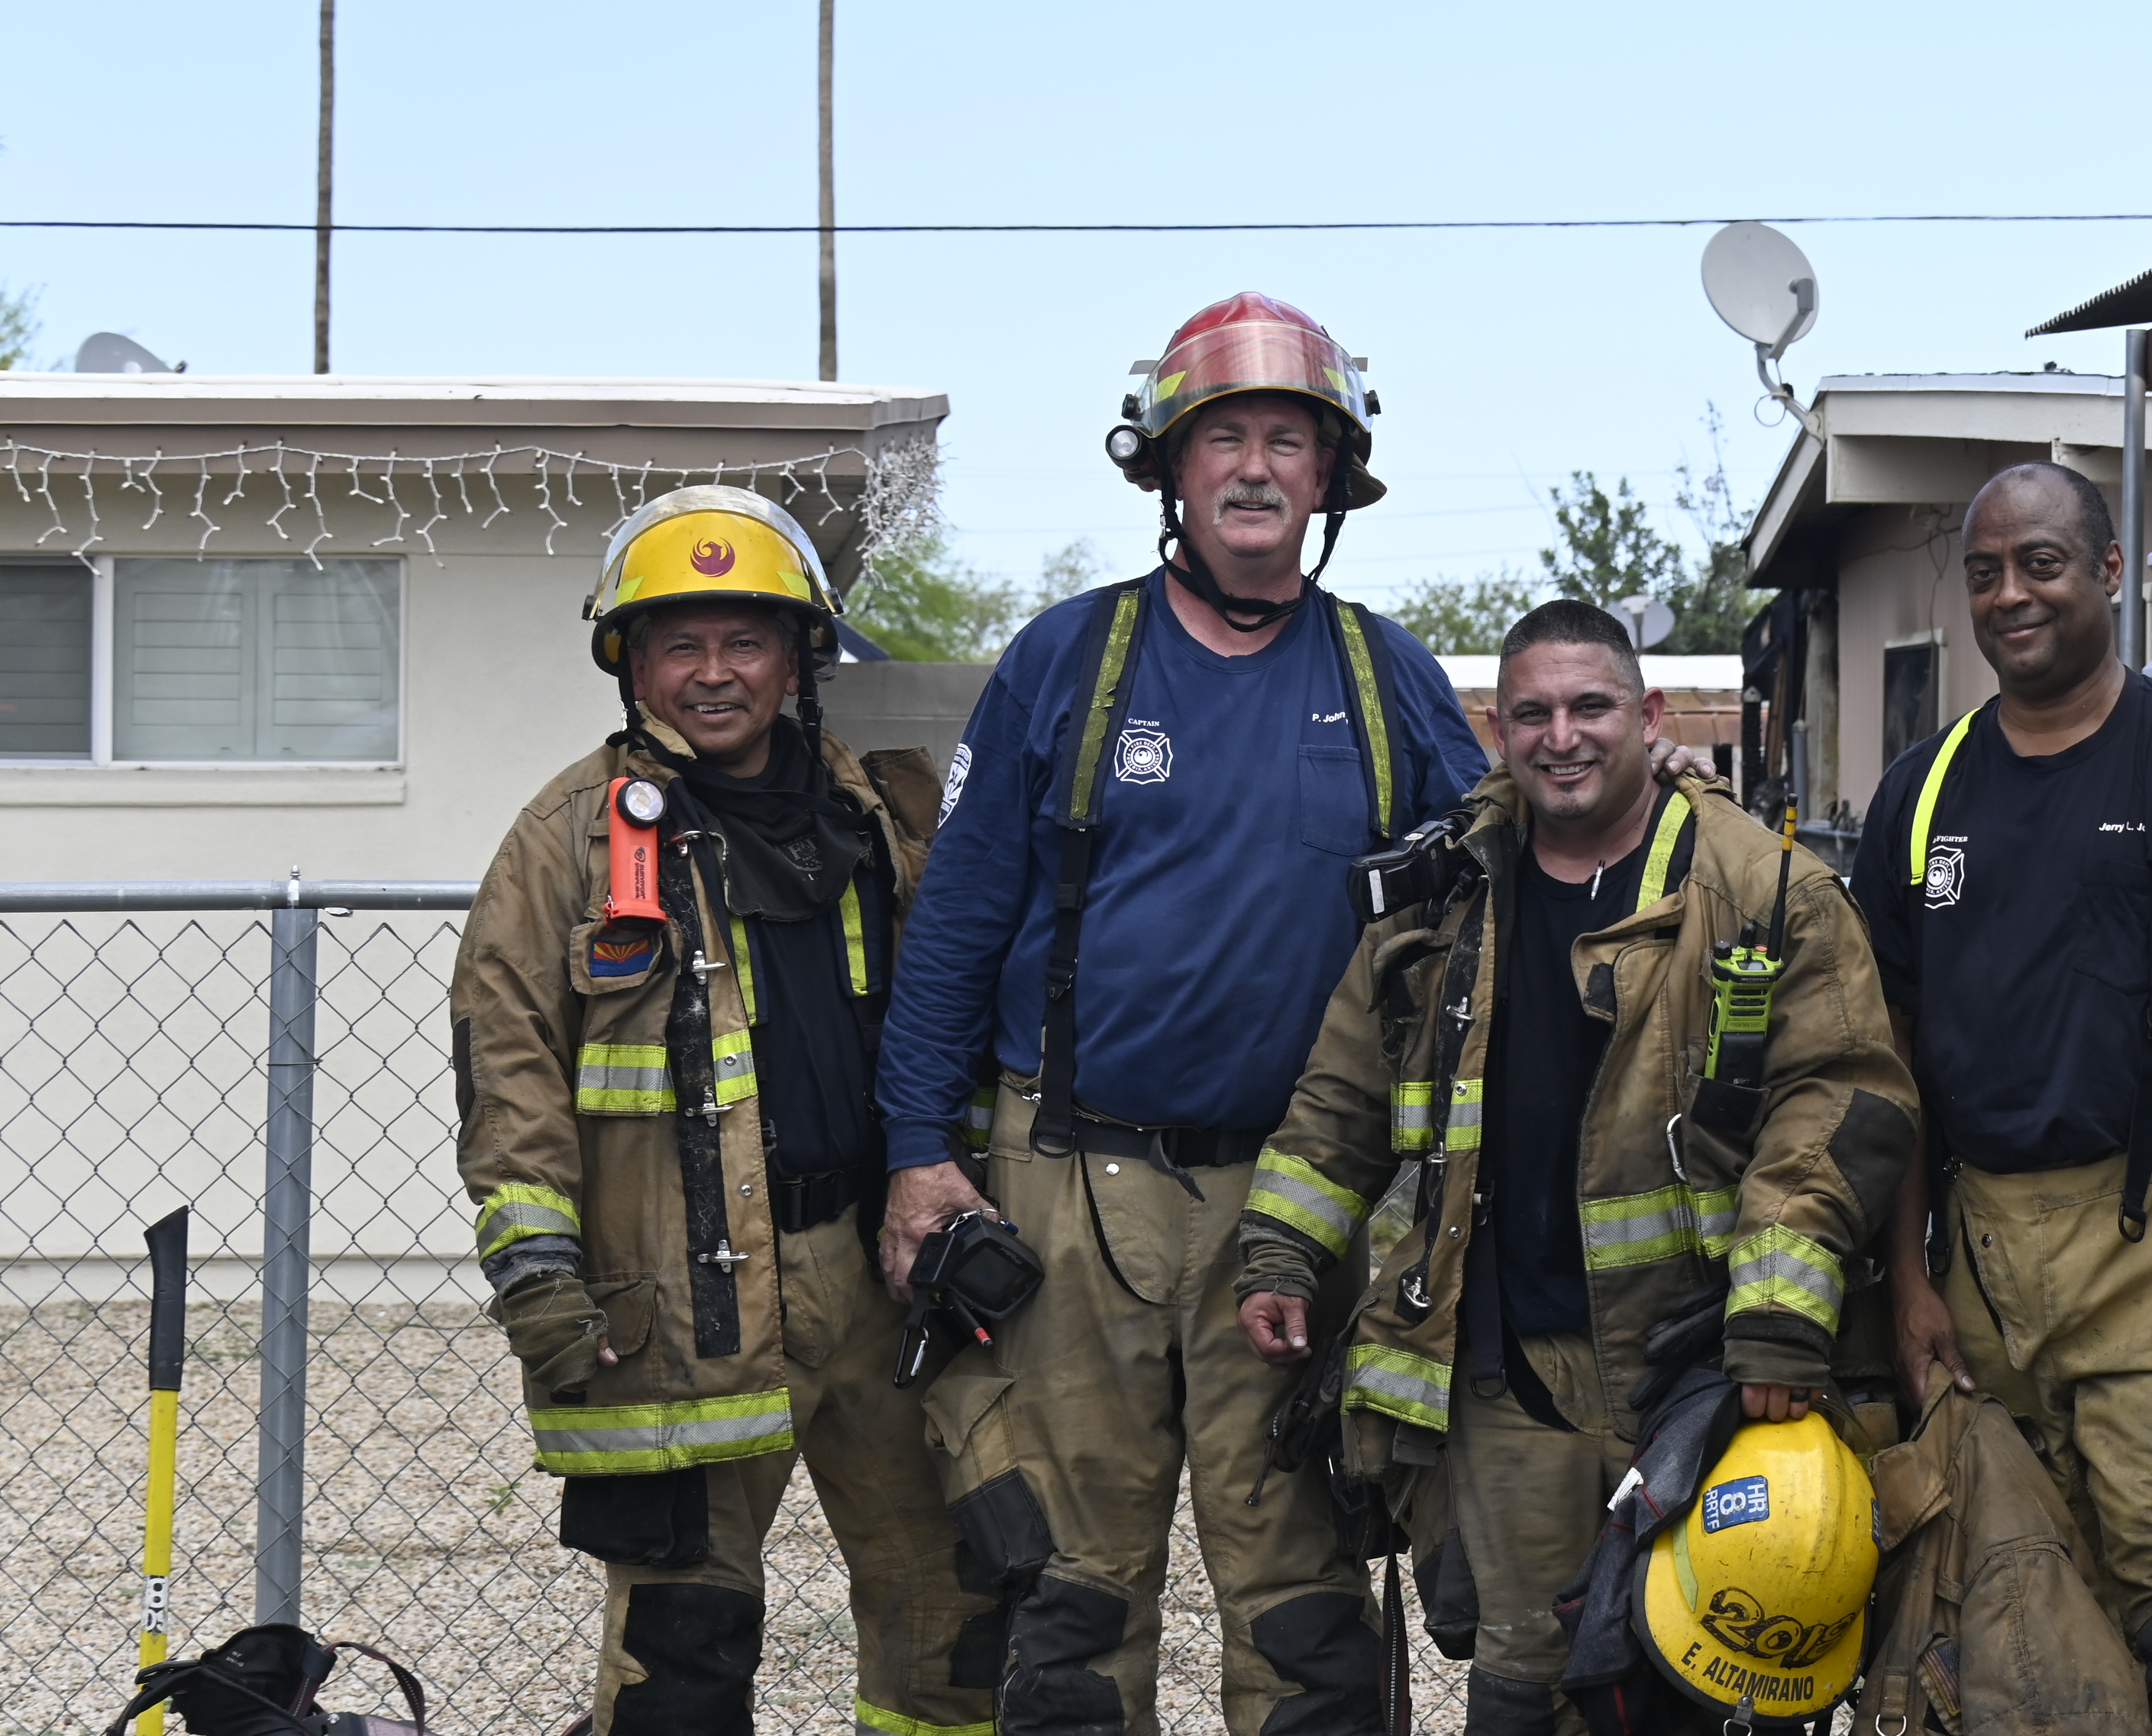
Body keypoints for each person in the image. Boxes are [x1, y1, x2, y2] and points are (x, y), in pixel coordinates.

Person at [871, 294, 1494, 1735]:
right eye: (1226, 439)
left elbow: (1498, 884)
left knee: (1304, 1582)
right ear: (1167, 468)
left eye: (1289, 440)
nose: (1257, 468)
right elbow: (955, 928)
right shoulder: (1066, 663)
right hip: (1071, 1184)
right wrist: (917, 1155)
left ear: (1330, 477)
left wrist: (1653, 795)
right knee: (1074, 1583)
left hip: (1295, 1202)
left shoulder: (1386, 677)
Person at [1233, 598, 1918, 1735]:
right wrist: (1281, 1255)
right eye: (1534, 714)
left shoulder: (1762, 890)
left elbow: (1842, 1100)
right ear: (1498, 729)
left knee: (1712, 1680)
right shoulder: (1443, 893)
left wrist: (1777, 1321)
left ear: (1648, 717)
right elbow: (1342, 1095)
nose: (1563, 738)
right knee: (1527, 1680)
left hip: (1708, 1372)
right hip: (1511, 1380)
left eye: (1591, 707)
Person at [452, 486, 1000, 1736]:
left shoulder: (883, 817)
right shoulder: (569, 841)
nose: (714, 673)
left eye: (745, 640)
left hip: (886, 1274)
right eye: (680, 643)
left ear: (799, 658)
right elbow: (509, 1067)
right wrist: (537, 1271)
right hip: (689, 1293)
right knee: (683, 1641)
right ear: (630, 664)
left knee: (953, 1611)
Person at [1854, 461, 2152, 1736]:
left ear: (2111, 573)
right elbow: (1892, 1064)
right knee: (2015, 1616)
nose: (2011, 595)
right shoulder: (1920, 794)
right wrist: (1908, 1284)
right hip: (1983, 1262)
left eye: (2043, 564)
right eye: (1985, 573)